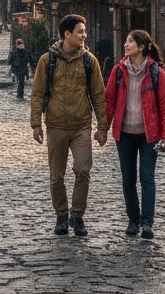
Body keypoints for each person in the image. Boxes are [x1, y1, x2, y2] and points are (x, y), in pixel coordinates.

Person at [30, 14, 108, 237]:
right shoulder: (48, 60)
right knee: (57, 176)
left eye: (84, 32)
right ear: (67, 34)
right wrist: (36, 123)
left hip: (81, 125)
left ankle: (77, 216)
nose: (85, 35)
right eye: (80, 32)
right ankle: (62, 216)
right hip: (55, 125)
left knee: (83, 170)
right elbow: (37, 93)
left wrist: (102, 127)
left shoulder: (89, 61)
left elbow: (98, 95)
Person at [104, 29, 165, 240]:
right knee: (128, 180)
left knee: (147, 178)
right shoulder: (118, 72)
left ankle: (147, 223)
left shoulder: (155, 73)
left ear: (142, 47)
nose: (126, 44)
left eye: (130, 41)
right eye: (126, 41)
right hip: (124, 134)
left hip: (148, 134)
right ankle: (133, 220)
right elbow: (109, 103)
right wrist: (102, 129)